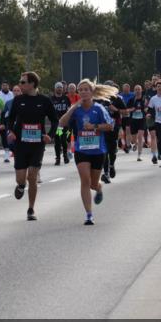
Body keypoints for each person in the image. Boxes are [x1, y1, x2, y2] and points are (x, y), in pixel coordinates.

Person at [58, 80, 115, 225]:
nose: (83, 92)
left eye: (86, 89)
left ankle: (99, 187)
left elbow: (110, 126)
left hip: (98, 150)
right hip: (81, 150)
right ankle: (89, 214)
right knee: (85, 180)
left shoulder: (99, 108)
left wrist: (94, 126)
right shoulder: (76, 109)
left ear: (92, 92)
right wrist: (72, 108)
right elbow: (61, 123)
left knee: (93, 184)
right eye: (80, 90)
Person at [5, 71, 59, 221]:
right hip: (21, 144)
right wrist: (11, 131)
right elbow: (10, 119)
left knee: (32, 177)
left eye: (23, 82)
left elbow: (55, 120)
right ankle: (21, 186)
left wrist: (50, 135)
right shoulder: (18, 100)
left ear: (32, 84)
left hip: (37, 144)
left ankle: (31, 209)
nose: (20, 85)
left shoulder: (45, 101)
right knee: (21, 178)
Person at [50, 82, 72, 165]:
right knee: (57, 140)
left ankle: (65, 156)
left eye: (60, 87)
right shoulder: (51, 99)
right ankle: (58, 158)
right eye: (58, 87)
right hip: (56, 124)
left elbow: (69, 110)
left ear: (62, 89)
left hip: (64, 123)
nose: (59, 89)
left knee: (64, 140)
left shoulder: (66, 98)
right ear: (55, 89)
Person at [126, 84, 147, 160]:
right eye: (136, 89)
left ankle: (139, 155)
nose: (137, 91)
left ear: (141, 90)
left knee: (140, 136)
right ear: (134, 91)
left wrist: (146, 109)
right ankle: (135, 144)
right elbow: (127, 110)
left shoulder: (144, 99)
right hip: (133, 120)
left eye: (139, 89)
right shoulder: (132, 100)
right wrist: (132, 109)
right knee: (134, 139)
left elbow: (148, 108)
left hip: (142, 120)